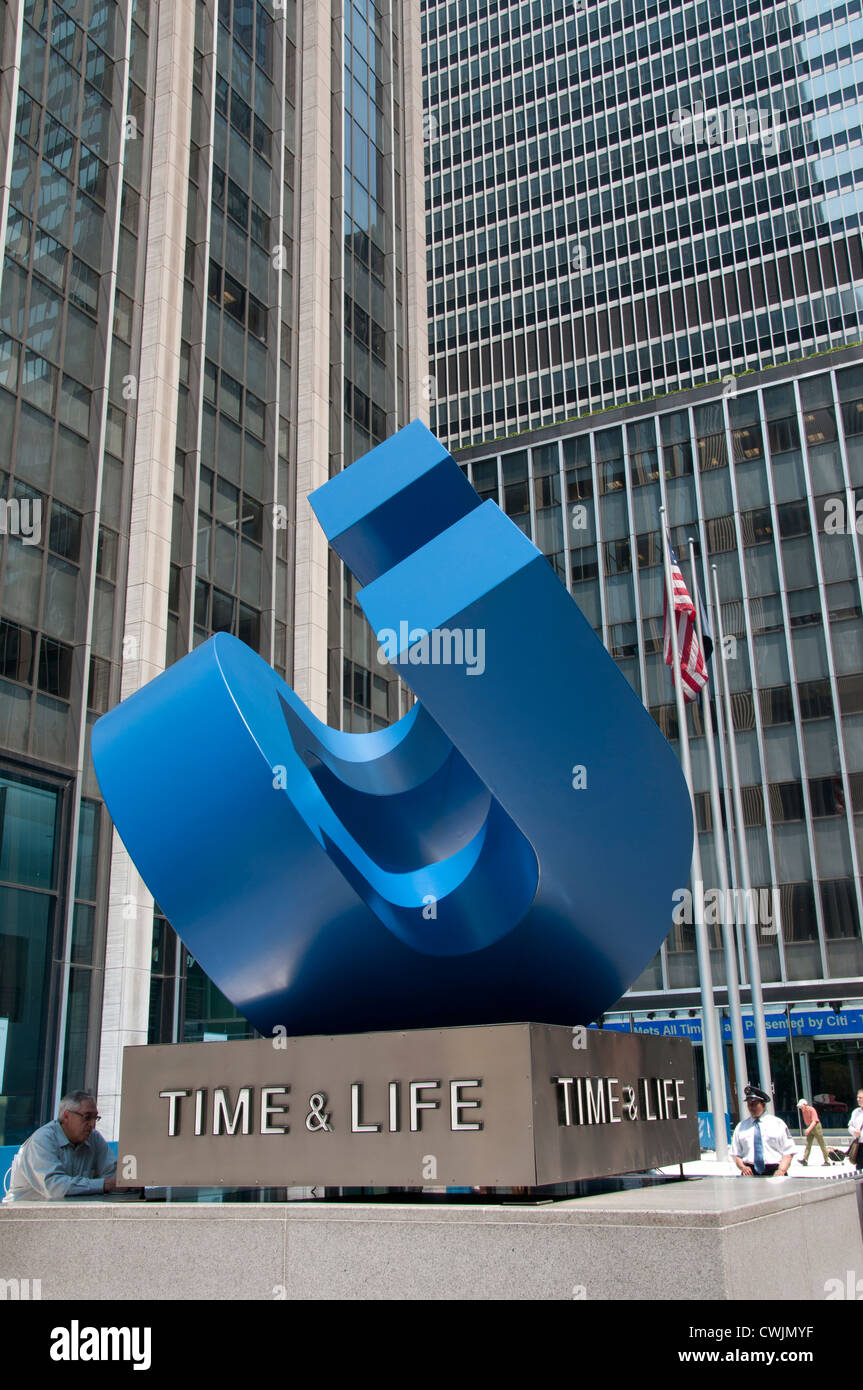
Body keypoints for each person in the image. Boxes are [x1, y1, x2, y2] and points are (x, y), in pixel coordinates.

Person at [2, 1090, 117, 1202]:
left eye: (95, 1118)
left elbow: (113, 1176)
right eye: (87, 1117)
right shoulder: (43, 1139)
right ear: (66, 1116)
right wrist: (103, 1184)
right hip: (23, 1214)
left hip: (69, 1211)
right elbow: (56, 1187)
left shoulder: (94, 1138)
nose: (92, 1124)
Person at [730, 1084, 796, 1177]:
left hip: (774, 1171)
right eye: (749, 1104)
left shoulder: (777, 1124)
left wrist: (781, 1170)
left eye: (754, 1104)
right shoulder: (741, 1127)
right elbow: (736, 1154)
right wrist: (742, 1167)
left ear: (763, 1104)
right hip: (749, 1172)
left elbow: (788, 1151)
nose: (751, 1107)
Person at [796, 1097, 834, 1166]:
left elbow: (814, 1121)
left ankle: (827, 1161)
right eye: (800, 1107)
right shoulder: (803, 1111)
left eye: (801, 1106)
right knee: (808, 1144)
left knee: (821, 1144)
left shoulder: (812, 1110)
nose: (800, 1108)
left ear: (805, 1104)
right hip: (810, 1127)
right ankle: (805, 1159)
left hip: (816, 1127)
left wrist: (808, 1129)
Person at [848, 1088, 863, 1173]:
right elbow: (849, 1126)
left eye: (860, 1097)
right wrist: (854, 1131)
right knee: (859, 1168)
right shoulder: (855, 1112)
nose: (858, 1099)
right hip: (860, 1145)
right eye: (857, 1097)